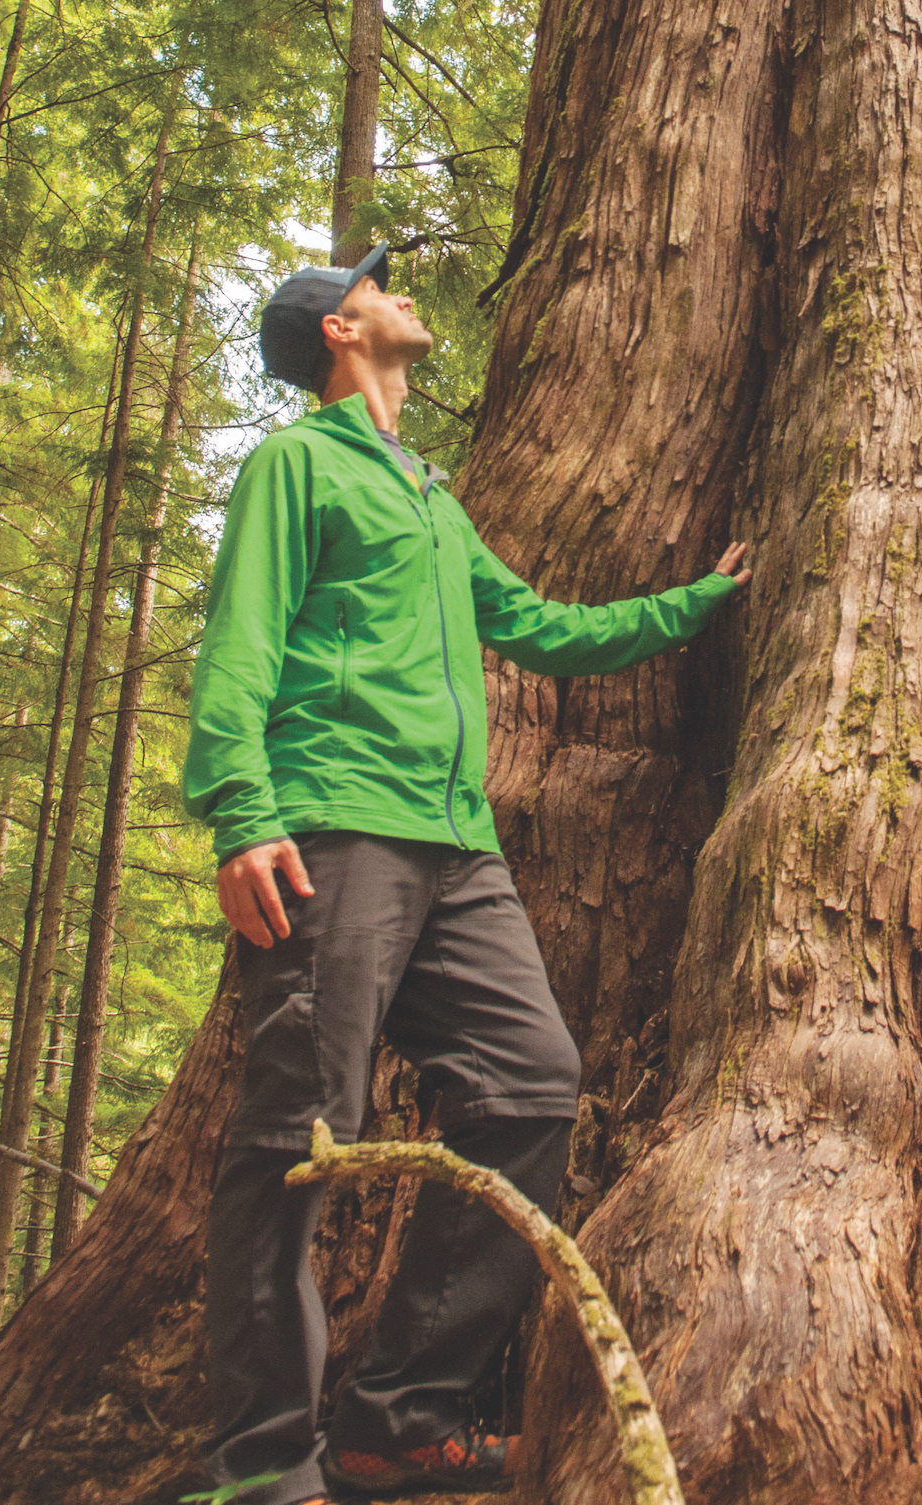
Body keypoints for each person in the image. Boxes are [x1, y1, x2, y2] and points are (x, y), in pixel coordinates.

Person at [182, 245, 749, 1504]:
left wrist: (695, 603)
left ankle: (397, 1415)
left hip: (456, 849)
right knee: (296, 1134)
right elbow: (242, 641)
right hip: (331, 827)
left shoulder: (431, 497)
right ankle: (262, 1467)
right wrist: (239, 813)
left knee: (531, 1084)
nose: (403, 293)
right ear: (339, 330)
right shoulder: (299, 465)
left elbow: (541, 627)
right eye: (379, 286)